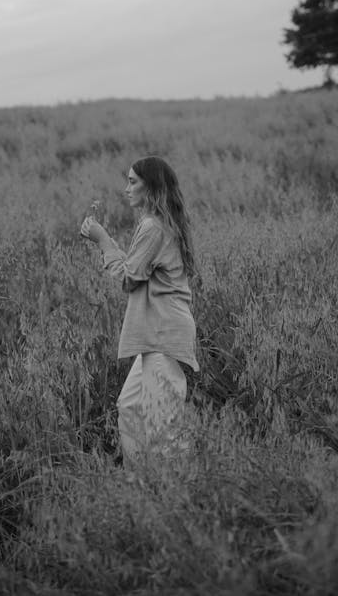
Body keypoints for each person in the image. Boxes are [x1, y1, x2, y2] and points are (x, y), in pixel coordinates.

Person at [80, 156, 199, 465]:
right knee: (131, 405)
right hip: (156, 333)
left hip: (163, 332)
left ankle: (179, 495)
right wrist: (108, 245)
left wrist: (103, 240)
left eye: (133, 182)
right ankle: (143, 482)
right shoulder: (158, 224)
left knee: (164, 424)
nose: (126, 188)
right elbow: (136, 271)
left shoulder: (152, 227)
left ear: (152, 188)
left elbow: (129, 279)